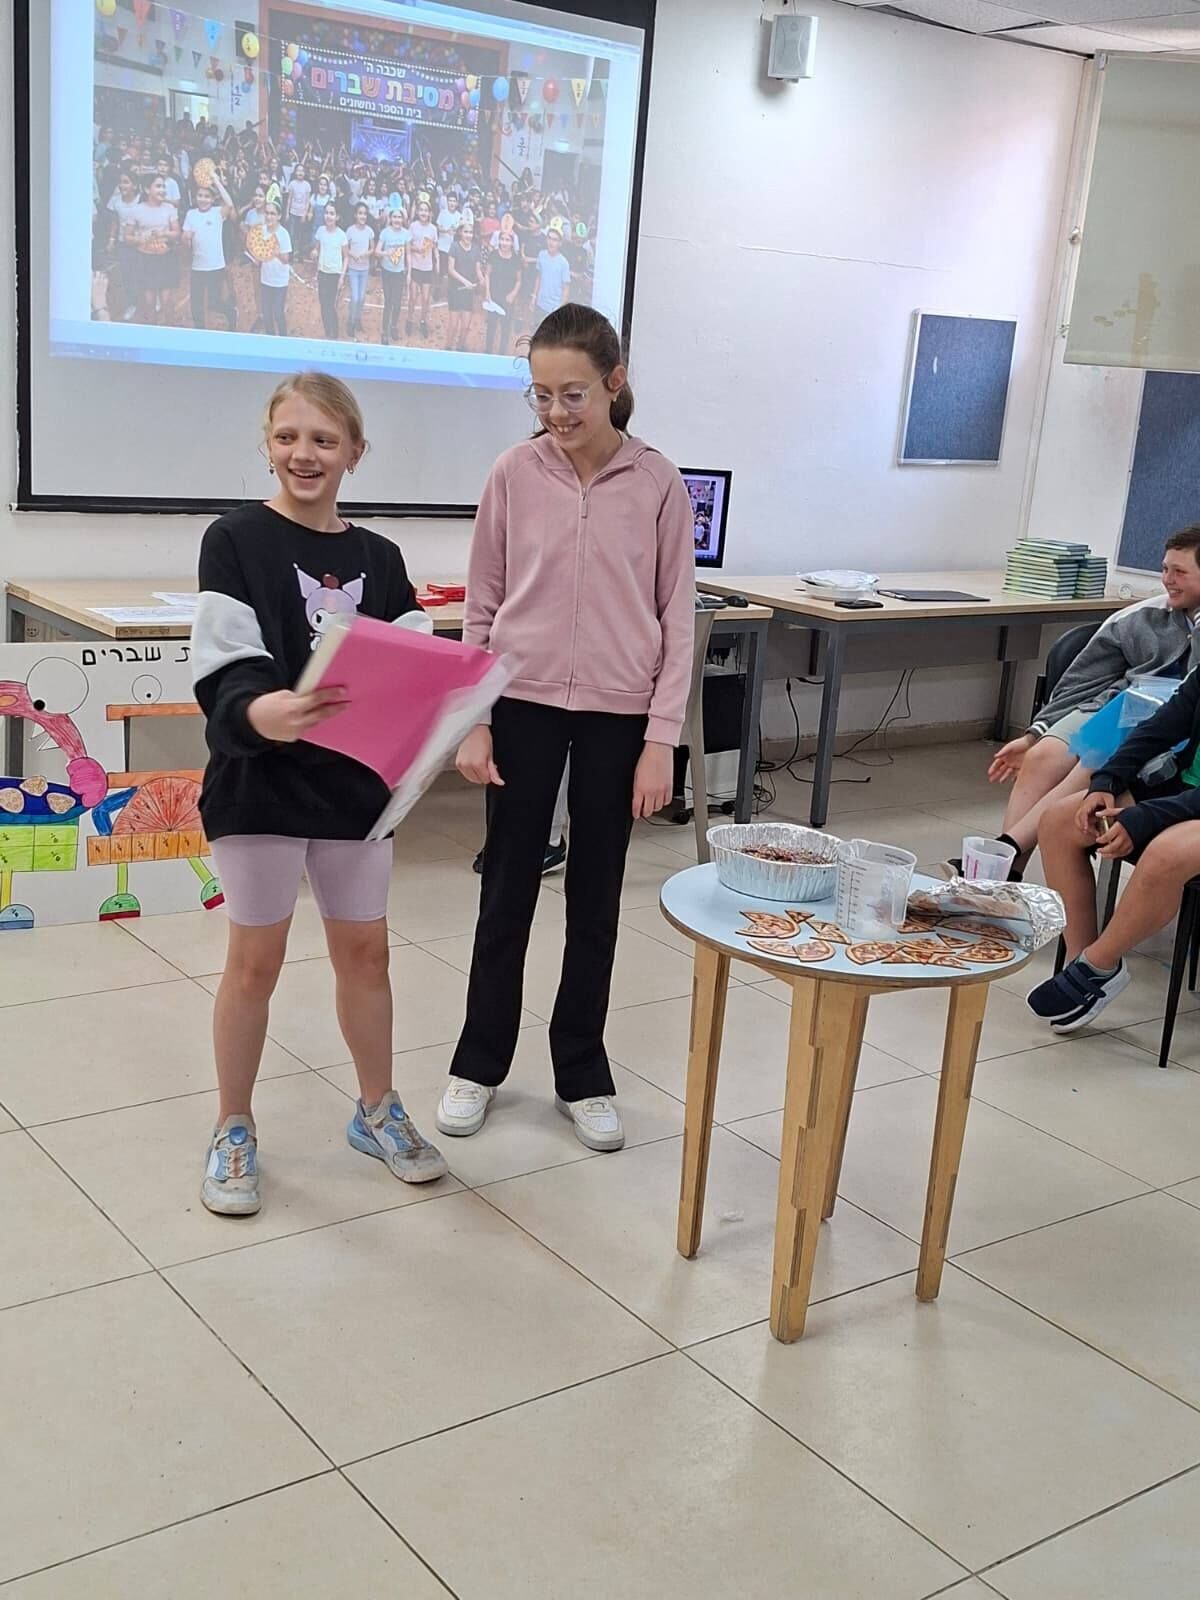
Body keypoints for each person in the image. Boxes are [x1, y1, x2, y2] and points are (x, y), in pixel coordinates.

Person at [437, 306, 694, 1153]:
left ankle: (581, 1072)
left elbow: (678, 619)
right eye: (541, 394)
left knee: (595, 898)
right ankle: (478, 1063)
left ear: (614, 383)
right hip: (522, 704)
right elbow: (482, 605)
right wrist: (475, 720)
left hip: (621, 713)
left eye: (573, 393)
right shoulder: (514, 473)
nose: (555, 411)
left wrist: (661, 739)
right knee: (506, 889)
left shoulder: (658, 482)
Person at [191, 371, 447, 1215]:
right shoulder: (234, 539)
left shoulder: (381, 559)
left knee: (366, 953)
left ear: (355, 453)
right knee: (254, 961)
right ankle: (233, 1125)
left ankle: (377, 1110)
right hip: (259, 782)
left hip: (350, 792)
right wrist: (263, 710)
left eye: (324, 440)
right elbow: (225, 660)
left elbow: (415, 661)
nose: (305, 454)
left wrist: (456, 709)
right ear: (268, 445)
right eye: (288, 437)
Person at [983, 528, 1200, 879]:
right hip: (1117, 710)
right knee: (1041, 756)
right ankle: (1007, 877)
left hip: (1169, 734)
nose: (1167, 580)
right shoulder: (1142, 617)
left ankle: (1003, 854)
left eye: (1180, 572)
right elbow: (1082, 680)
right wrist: (1034, 733)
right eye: (1164, 569)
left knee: (1092, 764)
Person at [1027, 665, 1200, 1032]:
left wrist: (1146, 817)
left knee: (1166, 854)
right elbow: (1159, 728)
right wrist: (1106, 780)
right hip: (1185, 795)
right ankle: (1080, 963)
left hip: (1190, 809)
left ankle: (1098, 967)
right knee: (1060, 821)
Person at [183, 177, 238, 331]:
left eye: (207, 196)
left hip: (216, 266)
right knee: (196, 305)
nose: (203, 199)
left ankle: (231, 314)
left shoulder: (217, 212)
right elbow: (185, 238)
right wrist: (186, 238)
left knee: (215, 303)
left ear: (213, 199)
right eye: (200, 195)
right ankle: (199, 332)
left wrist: (216, 180)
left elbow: (229, 204)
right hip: (197, 267)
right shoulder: (190, 214)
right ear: (195, 197)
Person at [132, 174, 180, 325]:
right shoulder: (137, 210)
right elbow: (127, 237)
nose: (163, 190)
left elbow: (177, 233)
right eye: (158, 186)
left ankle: (170, 332)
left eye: (163, 186)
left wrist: (164, 234)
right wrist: (141, 239)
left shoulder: (170, 208)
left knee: (167, 303)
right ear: (147, 189)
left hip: (165, 258)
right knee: (149, 303)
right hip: (145, 260)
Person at [310, 202, 348, 340]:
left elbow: (346, 257)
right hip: (322, 273)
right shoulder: (320, 231)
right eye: (326, 213)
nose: (328, 216)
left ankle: (334, 333)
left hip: (335, 275)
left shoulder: (341, 235)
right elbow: (317, 249)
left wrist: (342, 277)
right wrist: (314, 253)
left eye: (332, 213)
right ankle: (327, 330)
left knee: (330, 305)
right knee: (323, 303)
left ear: (337, 217)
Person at [483, 227, 521, 355]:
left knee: (505, 328)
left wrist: (513, 294)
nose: (504, 242)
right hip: (493, 297)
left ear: (512, 242)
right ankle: (488, 352)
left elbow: (519, 280)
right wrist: (487, 293)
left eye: (507, 240)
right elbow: (487, 274)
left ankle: (502, 354)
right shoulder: (493, 255)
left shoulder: (516, 259)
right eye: (502, 239)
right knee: (491, 327)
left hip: (508, 299)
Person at [446, 220, 483, 351]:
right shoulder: (454, 246)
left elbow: (478, 269)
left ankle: (460, 348)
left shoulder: (476, 249)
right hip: (455, 290)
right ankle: (448, 348)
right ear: (461, 233)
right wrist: (465, 282)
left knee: (466, 326)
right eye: (466, 232)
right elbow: (450, 269)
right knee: (453, 325)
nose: (468, 235)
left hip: (468, 291)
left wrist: (482, 279)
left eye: (471, 232)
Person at [376, 207, 410, 345]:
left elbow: (408, 254)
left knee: (397, 302)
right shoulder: (385, 233)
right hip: (387, 272)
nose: (397, 220)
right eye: (395, 217)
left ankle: (394, 326)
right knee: (388, 302)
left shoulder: (406, 234)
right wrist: (386, 253)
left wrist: (409, 271)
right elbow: (377, 251)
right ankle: (384, 331)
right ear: (390, 219)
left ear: (403, 219)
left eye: (399, 217)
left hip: (399, 273)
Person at [258, 200, 292, 336]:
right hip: (265, 279)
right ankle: (270, 339)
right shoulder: (261, 231)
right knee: (266, 314)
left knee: (278, 313)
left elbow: (286, 260)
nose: (269, 216)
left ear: (279, 216)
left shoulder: (283, 234)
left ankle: (284, 339)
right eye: (267, 213)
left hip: (280, 282)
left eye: (272, 213)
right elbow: (260, 253)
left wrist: (277, 253)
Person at [407, 198, 437, 340]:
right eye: (421, 210)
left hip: (427, 267)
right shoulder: (413, 226)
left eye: (426, 210)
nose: (424, 213)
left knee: (425, 299)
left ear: (430, 213)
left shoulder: (433, 229)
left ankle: (423, 321)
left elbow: (435, 246)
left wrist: (437, 262)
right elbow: (407, 245)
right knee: (413, 298)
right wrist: (416, 249)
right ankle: (409, 319)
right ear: (418, 212)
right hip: (415, 266)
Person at [345, 202, 375, 339]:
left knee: (361, 297)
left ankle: (357, 319)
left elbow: (372, 248)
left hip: (364, 268)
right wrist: (353, 255)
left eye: (364, 214)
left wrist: (365, 254)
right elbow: (345, 249)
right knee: (355, 297)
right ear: (355, 215)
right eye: (360, 213)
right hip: (353, 268)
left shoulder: (369, 231)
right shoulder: (350, 231)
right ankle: (350, 321)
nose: (362, 216)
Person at [534, 227, 571, 319]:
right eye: (549, 238)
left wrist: (560, 309)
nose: (551, 242)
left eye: (555, 240)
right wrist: (534, 297)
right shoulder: (541, 255)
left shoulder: (564, 263)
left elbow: (566, 289)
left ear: (560, 243)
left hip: (554, 308)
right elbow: (539, 277)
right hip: (540, 304)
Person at [285, 161, 314, 257]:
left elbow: (307, 201)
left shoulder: (307, 185)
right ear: (295, 172)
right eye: (298, 170)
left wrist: (305, 214)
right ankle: (291, 254)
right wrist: (287, 213)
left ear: (305, 173)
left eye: (302, 171)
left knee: (301, 235)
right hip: (293, 212)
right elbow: (289, 199)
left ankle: (300, 255)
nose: (300, 173)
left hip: (302, 213)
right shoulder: (292, 184)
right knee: (291, 234)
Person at [436, 192, 462, 282]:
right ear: (447, 202)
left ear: (457, 203)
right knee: (443, 275)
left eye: (454, 201)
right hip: (443, 248)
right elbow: (438, 227)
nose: (452, 203)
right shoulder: (442, 213)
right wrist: (447, 231)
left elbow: (461, 231)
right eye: (450, 201)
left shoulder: (459, 216)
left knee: (453, 275)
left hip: (454, 250)